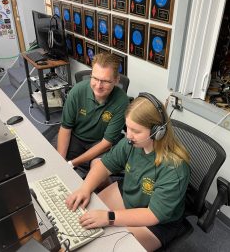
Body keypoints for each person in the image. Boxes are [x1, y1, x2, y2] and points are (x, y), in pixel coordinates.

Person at [65, 93, 190, 251]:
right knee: (84, 218)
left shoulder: (175, 168)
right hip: (130, 193)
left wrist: (109, 217)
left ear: (158, 132)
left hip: (157, 221)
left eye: (136, 131)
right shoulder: (130, 143)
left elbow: (153, 215)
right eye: (128, 127)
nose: (129, 135)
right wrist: (85, 189)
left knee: (105, 246)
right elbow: (104, 165)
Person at [57, 53, 129, 177]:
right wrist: (60, 162)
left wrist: (73, 163)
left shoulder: (122, 101)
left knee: (98, 174)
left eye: (105, 81)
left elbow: (106, 143)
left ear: (116, 80)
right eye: (95, 78)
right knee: (52, 158)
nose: (98, 85)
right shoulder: (77, 91)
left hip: (101, 142)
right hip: (77, 138)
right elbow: (65, 128)